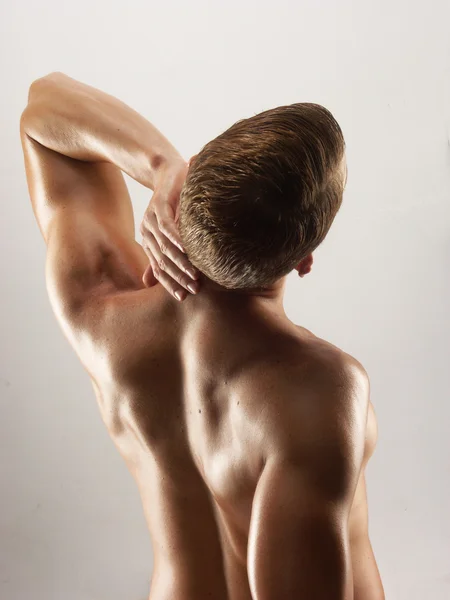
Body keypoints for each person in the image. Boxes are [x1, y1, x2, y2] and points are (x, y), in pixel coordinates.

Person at [20, 72, 385, 600]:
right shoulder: (319, 391)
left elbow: (42, 111)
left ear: (192, 203)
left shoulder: (100, 313)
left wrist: (159, 166)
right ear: (304, 259)